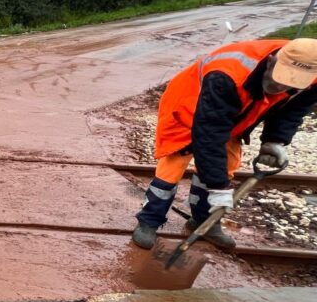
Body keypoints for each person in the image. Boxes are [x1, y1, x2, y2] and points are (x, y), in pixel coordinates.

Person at [132, 38, 317, 250]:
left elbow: (291, 110)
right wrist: (218, 188)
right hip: (187, 106)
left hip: (234, 111)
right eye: (278, 79)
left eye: (289, 84)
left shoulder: (312, 75)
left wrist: (275, 141)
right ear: (270, 61)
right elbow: (209, 134)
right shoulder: (228, 74)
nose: (280, 87)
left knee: (226, 164)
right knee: (173, 166)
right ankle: (149, 222)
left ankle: (204, 223)